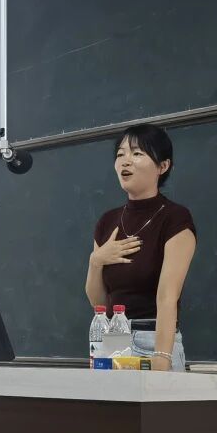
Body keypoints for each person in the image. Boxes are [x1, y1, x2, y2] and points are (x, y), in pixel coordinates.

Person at [84, 124, 196, 371]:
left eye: (137, 153)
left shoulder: (175, 218)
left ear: (162, 166)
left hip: (153, 340)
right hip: (112, 339)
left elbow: (167, 296)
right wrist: (96, 260)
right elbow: (98, 301)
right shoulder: (107, 222)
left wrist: (162, 356)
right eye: (120, 154)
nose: (125, 161)